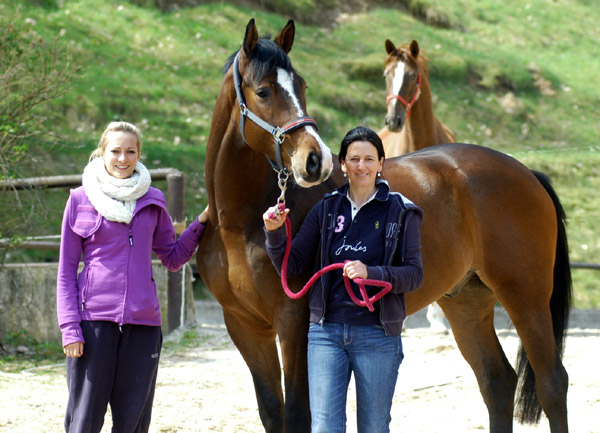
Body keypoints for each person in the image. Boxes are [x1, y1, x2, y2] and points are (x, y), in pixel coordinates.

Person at [263, 126, 424, 433]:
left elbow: (415, 275)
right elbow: (292, 264)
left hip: (377, 336)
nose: (361, 166)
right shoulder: (325, 209)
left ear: (381, 164)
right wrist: (274, 234)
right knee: (324, 426)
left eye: (368, 159)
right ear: (342, 164)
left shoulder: (402, 212)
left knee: (374, 427)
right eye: (354, 159)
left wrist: (372, 273)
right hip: (326, 334)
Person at [56, 121, 208, 433]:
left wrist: (202, 222)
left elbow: (173, 257)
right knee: (83, 421)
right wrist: (70, 329)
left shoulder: (152, 200)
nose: (123, 158)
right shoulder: (80, 199)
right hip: (93, 323)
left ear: (139, 155)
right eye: (115, 151)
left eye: (130, 151)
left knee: (134, 424)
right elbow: (66, 270)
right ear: (102, 152)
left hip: (143, 326)